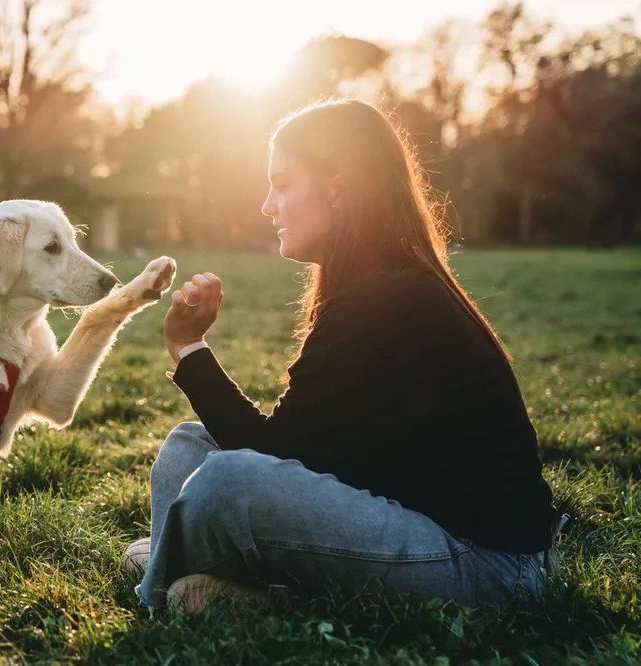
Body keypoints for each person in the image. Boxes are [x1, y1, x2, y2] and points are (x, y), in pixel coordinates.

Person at [126, 99, 561, 614]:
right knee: (188, 446)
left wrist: (189, 350)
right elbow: (309, 454)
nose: (268, 205)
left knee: (228, 480)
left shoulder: (390, 297)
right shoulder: (370, 285)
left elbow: (271, 455)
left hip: (490, 568)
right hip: (408, 514)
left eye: (283, 184)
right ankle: (216, 582)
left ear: (336, 186)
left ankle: (171, 584)